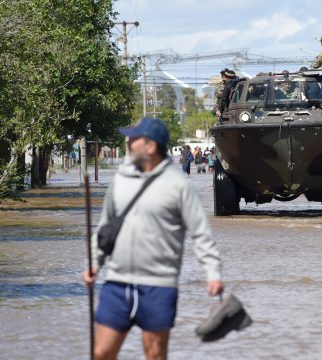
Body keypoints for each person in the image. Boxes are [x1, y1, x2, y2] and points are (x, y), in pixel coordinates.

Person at [83, 117, 223, 359]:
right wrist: (94, 263)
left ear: (150, 146)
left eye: (133, 139)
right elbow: (106, 227)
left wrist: (213, 274)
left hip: (158, 286)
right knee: (101, 352)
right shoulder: (120, 180)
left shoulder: (178, 184)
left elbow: (200, 232)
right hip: (117, 283)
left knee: (155, 355)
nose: (127, 143)